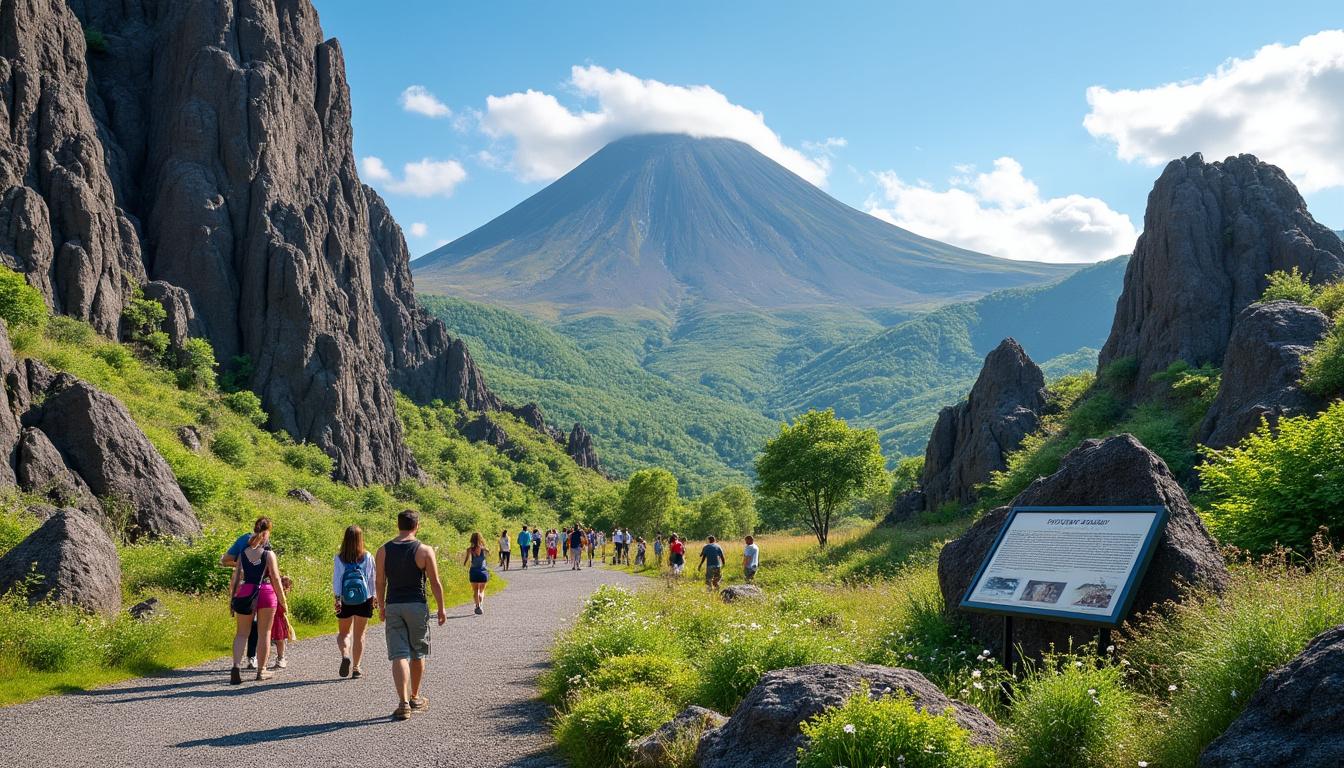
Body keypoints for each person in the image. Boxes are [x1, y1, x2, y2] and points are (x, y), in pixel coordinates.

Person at [376, 510, 448, 721]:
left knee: (398, 654)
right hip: (417, 605)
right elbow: (435, 582)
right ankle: (415, 696)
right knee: (418, 652)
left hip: (394, 605)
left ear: (398, 525)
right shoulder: (424, 550)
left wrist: (381, 606)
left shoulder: (383, 551)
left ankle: (403, 703)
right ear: (417, 526)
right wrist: (442, 608)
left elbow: (380, 582)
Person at [228, 520, 288, 684]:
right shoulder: (269, 554)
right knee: (265, 633)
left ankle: (235, 667)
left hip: (246, 591)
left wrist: (232, 600)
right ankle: (261, 671)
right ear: (266, 533)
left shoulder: (242, 553)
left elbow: (235, 578)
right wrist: (283, 601)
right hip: (266, 593)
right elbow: (275, 578)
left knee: (241, 633)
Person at [220, 517, 272, 670]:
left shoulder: (258, 542)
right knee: (256, 625)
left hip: (244, 587)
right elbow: (225, 560)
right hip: (254, 586)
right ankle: (252, 658)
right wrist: (243, 565)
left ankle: (244, 661)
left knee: (246, 627)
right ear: (267, 530)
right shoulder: (249, 540)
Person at [333, 524, 376, 679]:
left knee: (344, 633)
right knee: (360, 634)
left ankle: (345, 654)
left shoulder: (339, 558)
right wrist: (374, 597)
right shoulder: (368, 556)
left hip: (345, 599)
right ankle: (357, 667)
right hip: (364, 598)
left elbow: (337, 580)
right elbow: (372, 579)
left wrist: (337, 599)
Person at [271, 574, 295, 669]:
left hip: (278, 618)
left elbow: (283, 608)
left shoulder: (281, 595)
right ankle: (262, 660)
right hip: (269, 616)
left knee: (280, 639)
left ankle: (281, 657)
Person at [463, 531, 490, 615]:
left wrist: (464, 565)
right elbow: (488, 555)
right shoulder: (484, 549)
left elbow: (466, 561)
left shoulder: (469, 549)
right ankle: (481, 605)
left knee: (475, 590)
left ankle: (477, 605)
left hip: (474, 571)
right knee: (481, 591)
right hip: (483, 572)